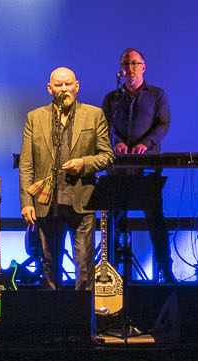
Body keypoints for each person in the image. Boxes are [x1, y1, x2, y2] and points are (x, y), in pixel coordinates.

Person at [19, 66, 114, 290]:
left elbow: (107, 156)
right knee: (49, 266)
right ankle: (53, 319)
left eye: (68, 84)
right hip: (47, 203)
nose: (64, 89)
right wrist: (26, 202)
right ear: (50, 88)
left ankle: (82, 319)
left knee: (84, 266)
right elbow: (26, 163)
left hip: (81, 200)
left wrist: (83, 164)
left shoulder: (94, 114)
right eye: (59, 85)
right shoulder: (35, 117)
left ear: (77, 87)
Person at [100, 47, 174, 281]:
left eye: (134, 63)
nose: (130, 68)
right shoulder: (112, 98)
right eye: (125, 64)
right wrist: (117, 142)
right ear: (120, 69)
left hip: (146, 168)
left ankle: (165, 268)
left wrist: (146, 143)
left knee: (155, 218)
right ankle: (111, 271)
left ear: (143, 66)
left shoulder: (157, 95)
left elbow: (162, 124)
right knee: (114, 219)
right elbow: (103, 126)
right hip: (118, 169)